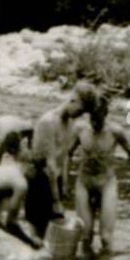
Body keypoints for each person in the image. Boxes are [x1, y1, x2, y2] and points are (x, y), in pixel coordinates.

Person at [65, 95, 130, 257]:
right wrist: (64, 183)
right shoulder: (80, 129)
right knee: (85, 235)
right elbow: (67, 155)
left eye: (98, 118)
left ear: (105, 114)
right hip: (84, 182)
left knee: (105, 238)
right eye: (92, 117)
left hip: (106, 183)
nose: (94, 122)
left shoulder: (116, 132)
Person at [31, 82, 98, 216]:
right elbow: (49, 164)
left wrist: (64, 186)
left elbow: (65, 155)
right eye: (80, 111)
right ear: (73, 101)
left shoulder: (71, 122)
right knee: (40, 230)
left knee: (56, 229)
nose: (80, 115)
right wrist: (56, 201)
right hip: (39, 180)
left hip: (55, 178)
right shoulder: (48, 121)